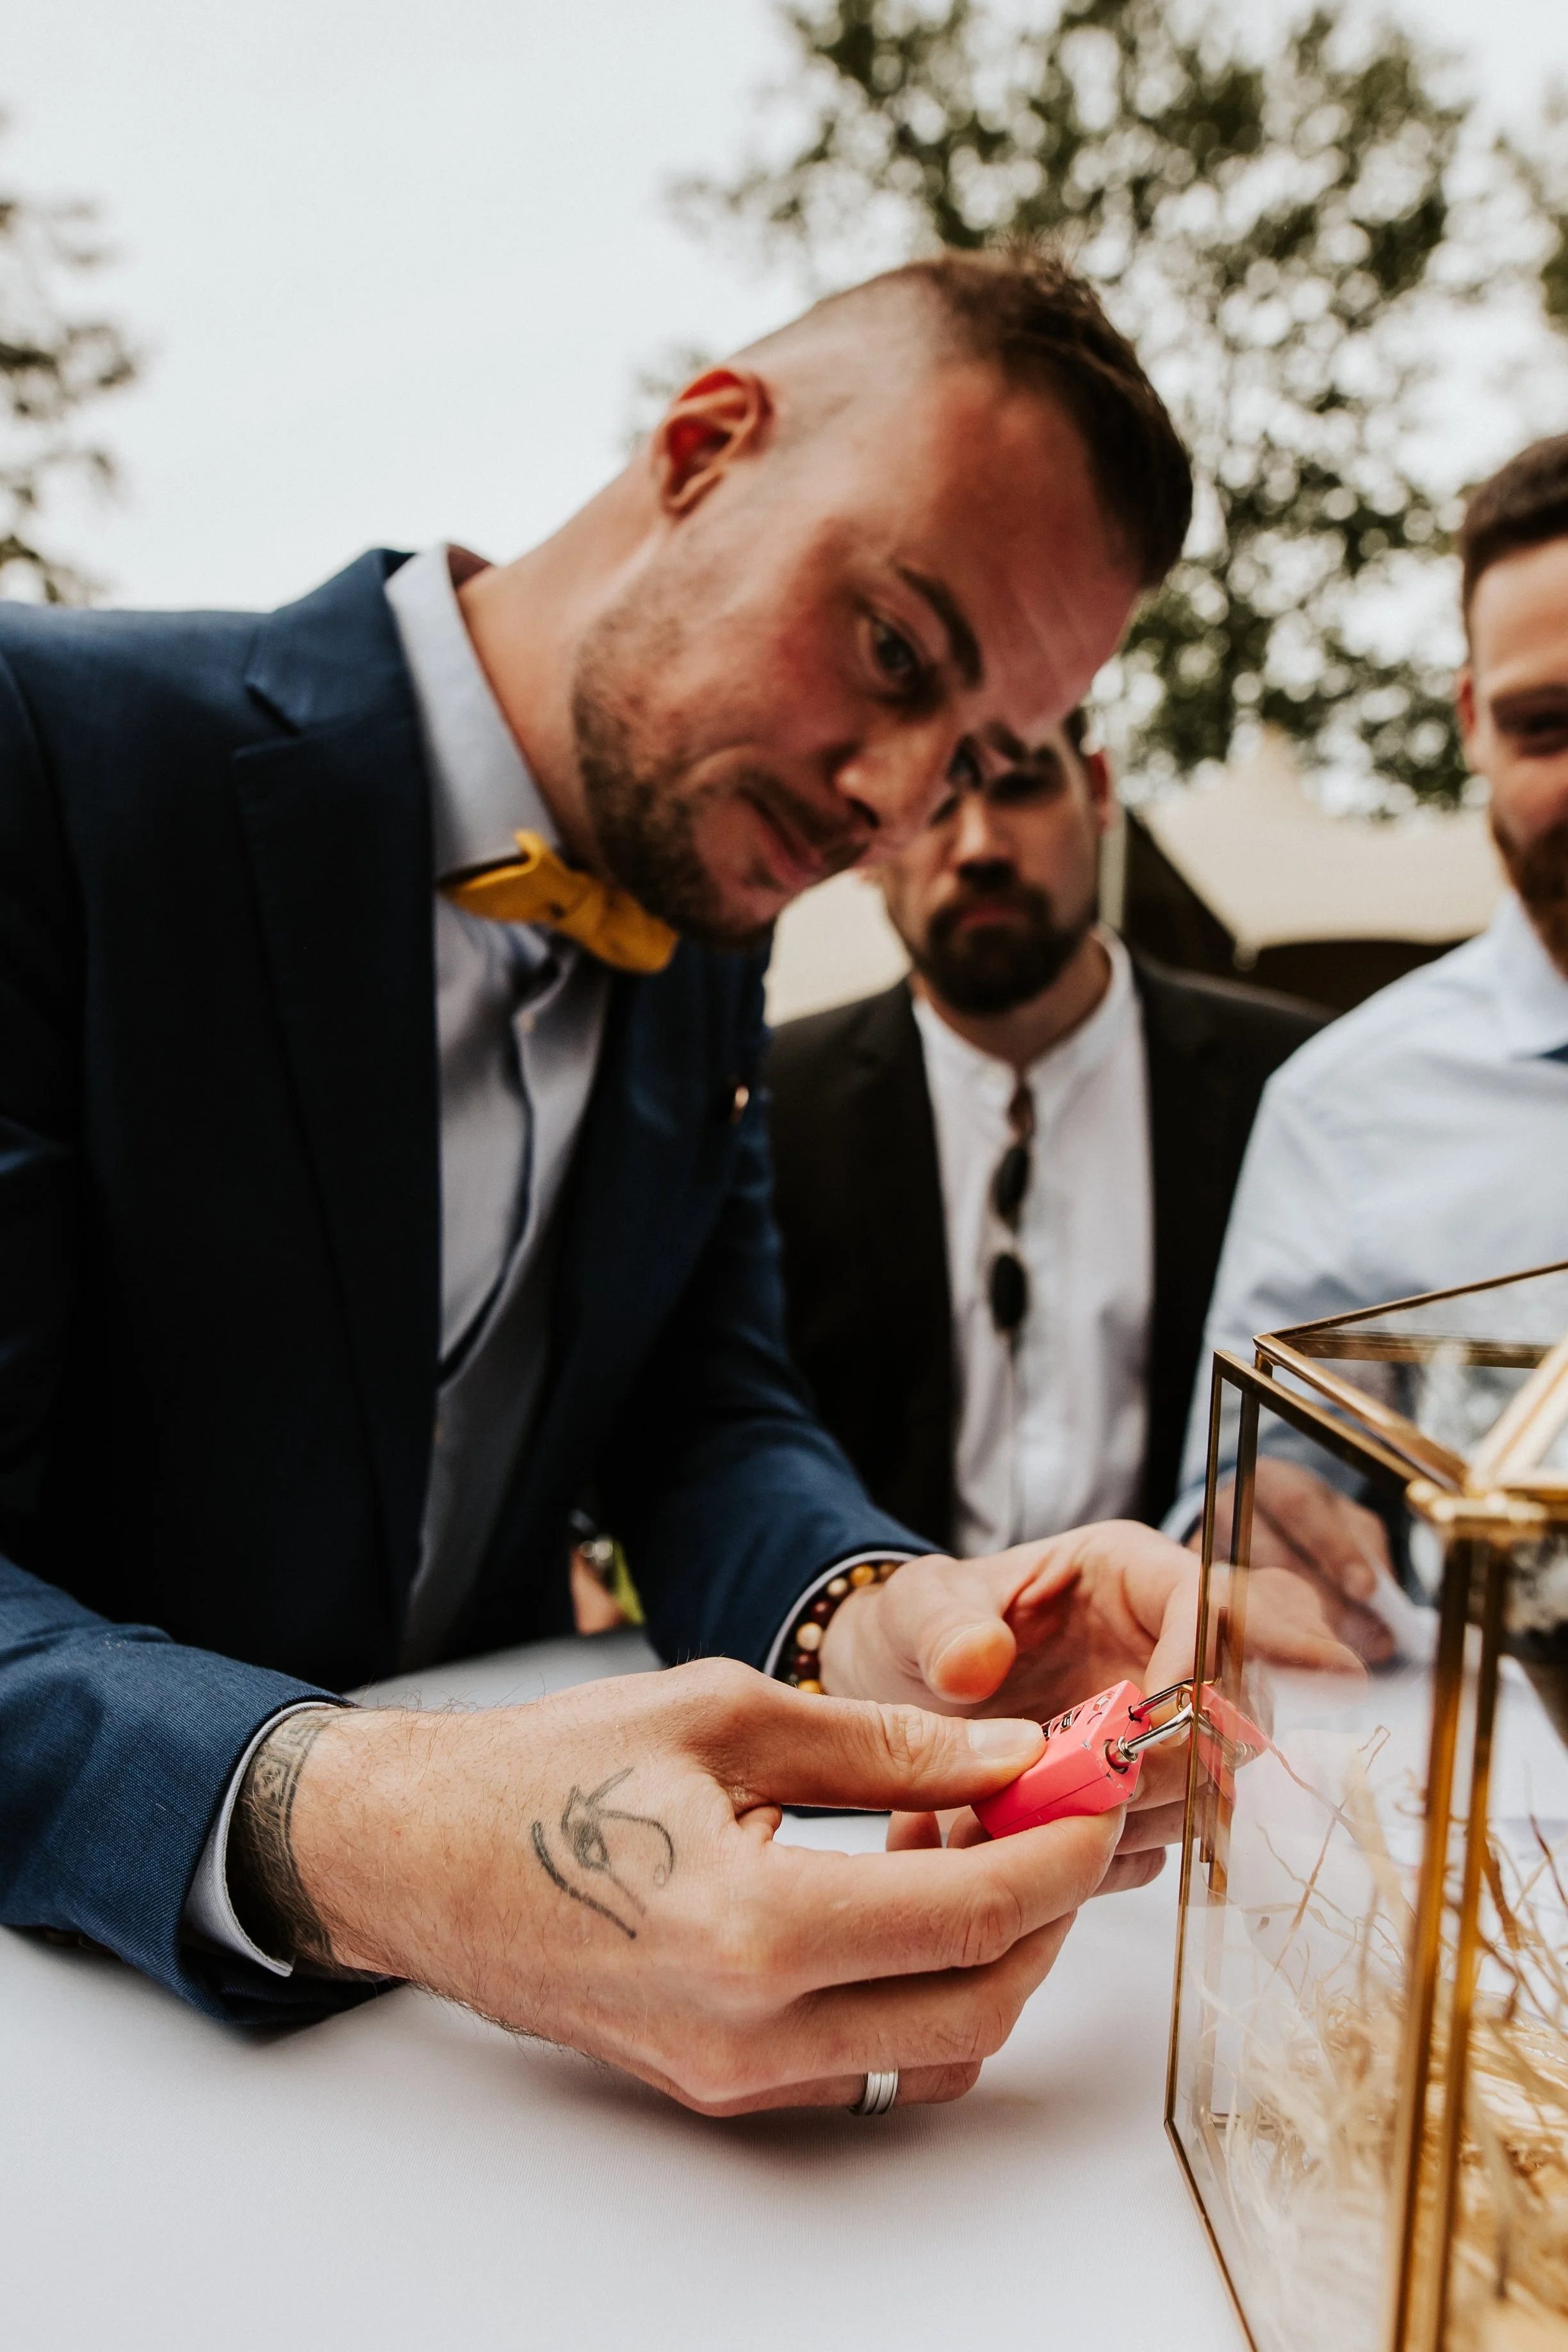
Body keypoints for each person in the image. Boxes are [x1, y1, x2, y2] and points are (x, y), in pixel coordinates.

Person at [0, 250, 1213, 2117]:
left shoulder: (707, 936)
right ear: (707, 444)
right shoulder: (47, 755)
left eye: (979, 753)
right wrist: (366, 1831)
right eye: (895, 650)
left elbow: (703, 1414)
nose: (897, 800)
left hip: (464, 2123)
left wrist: (901, 1629)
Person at [1172, 432, 1568, 1651]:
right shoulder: (1345, 1107)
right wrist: (1251, 1529)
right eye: (1547, 724)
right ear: (1471, 725)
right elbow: (1255, 1497)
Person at [767, 712, 1322, 1553]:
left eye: (1021, 785)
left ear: (1098, 790)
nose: (981, 845)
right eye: (931, 806)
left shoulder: (1294, 1086)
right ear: (868, 843)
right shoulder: (772, 1105)